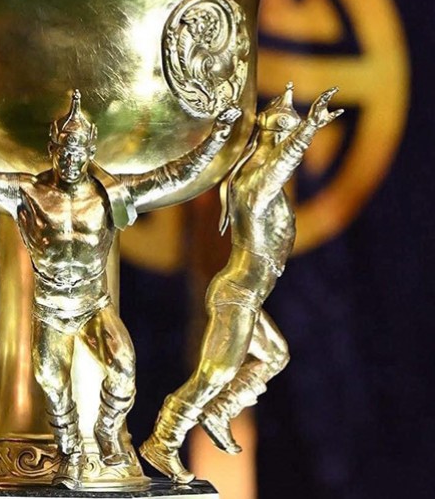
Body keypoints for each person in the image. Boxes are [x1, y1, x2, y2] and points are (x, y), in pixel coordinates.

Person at [0, 89, 241, 488]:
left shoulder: (109, 195)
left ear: (88, 153)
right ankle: (69, 451)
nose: (70, 159)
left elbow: (176, 175)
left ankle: (107, 429)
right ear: (53, 149)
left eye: (77, 151)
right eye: (64, 151)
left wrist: (218, 135)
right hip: (51, 310)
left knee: (123, 368)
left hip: (93, 306)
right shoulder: (29, 193)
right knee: (52, 381)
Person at [140, 83, 342, 483]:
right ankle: (164, 439)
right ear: (273, 137)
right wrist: (310, 128)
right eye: (283, 134)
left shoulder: (260, 183)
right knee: (212, 375)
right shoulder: (254, 184)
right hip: (238, 295)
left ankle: (220, 409)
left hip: (248, 296)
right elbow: (282, 165)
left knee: (275, 356)